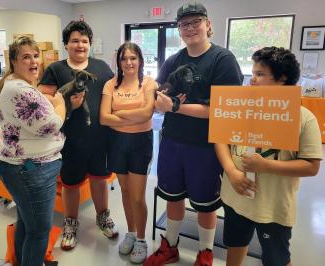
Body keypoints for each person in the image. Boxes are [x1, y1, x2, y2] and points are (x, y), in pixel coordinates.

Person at [144, 2, 243, 266]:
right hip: (172, 141)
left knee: (205, 203)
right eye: (183, 24)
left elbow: (222, 109)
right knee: (172, 197)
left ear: (208, 24)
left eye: (195, 22)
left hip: (207, 146)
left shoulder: (223, 60)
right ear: (179, 30)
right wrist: (156, 94)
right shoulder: (174, 60)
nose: (189, 28)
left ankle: (205, 251)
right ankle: (171, 246)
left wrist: (176, 106)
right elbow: (159, 92)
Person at [216, 47, 323, 266]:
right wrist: (232, 171)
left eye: (260, 74)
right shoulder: (240, 106)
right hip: (236, 196)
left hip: (272, 206)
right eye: (253, 73)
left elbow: (311, 166)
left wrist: (266, 166)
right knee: (235, 245)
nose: (252, 79)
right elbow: (220, 139)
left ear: (282, 78)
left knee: (277, 258)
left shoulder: (303, 117)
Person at [38, 20, 118, 251]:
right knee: (71, 184)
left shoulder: (102, 67)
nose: (80, 45)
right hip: (69, 140)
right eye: (75, 41)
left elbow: (115, 95)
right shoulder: (56, 70)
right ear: (66, 44)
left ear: (90, 44)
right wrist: (69, 106)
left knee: (100, 180)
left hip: (100, 138)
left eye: (84, 41)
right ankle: (70, 225)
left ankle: (103, 217)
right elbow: (44, 105)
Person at [0, 36, 66, 266]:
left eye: (36, 56)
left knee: (27, 222)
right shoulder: (20, 90)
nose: (34, 61)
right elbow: (51, 124)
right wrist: (59, 105)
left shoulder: (18, 85)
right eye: (26, 57)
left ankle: (18, 261)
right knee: (39, 231)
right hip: (30, 169)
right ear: (14, 61)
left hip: (26, 166)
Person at [100, 42, 157, 263]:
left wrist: (119, 111)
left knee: (137, 195)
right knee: (124, 190)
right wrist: (134, 113)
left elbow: (146, 115)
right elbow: (104, 118)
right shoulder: (111, 85)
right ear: (119, 62)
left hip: (141, 142)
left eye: (133, 58)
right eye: (124, 58)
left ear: (140, 60)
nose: (129, 62)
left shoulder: (149, 83)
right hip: (116, 142)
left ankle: (142, 239)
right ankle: (131, 234)